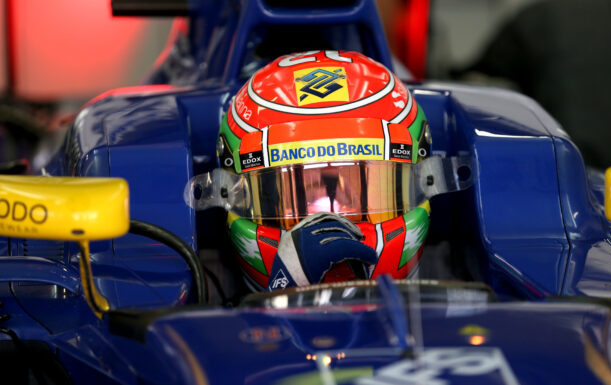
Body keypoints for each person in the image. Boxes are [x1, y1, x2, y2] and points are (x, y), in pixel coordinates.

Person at [186, 51, 468, 292]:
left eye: (362, 194)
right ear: (228, 192)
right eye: (299, 198)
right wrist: (284, 285)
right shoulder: (201, 293)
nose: (333, 223)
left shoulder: (462, 281)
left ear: (425, 181)